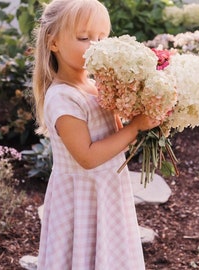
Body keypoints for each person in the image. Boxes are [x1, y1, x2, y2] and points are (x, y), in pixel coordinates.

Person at [31, 0, 160, 269]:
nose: (96, 45)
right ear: (53, 43)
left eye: (101, 37)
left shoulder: (94, 86)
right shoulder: (63, 97)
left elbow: (113, 134)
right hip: (82, 198)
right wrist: (135, 126)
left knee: (110, 256)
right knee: (82, 258)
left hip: (108, 191)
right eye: (84, 37)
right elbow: (87, 157)